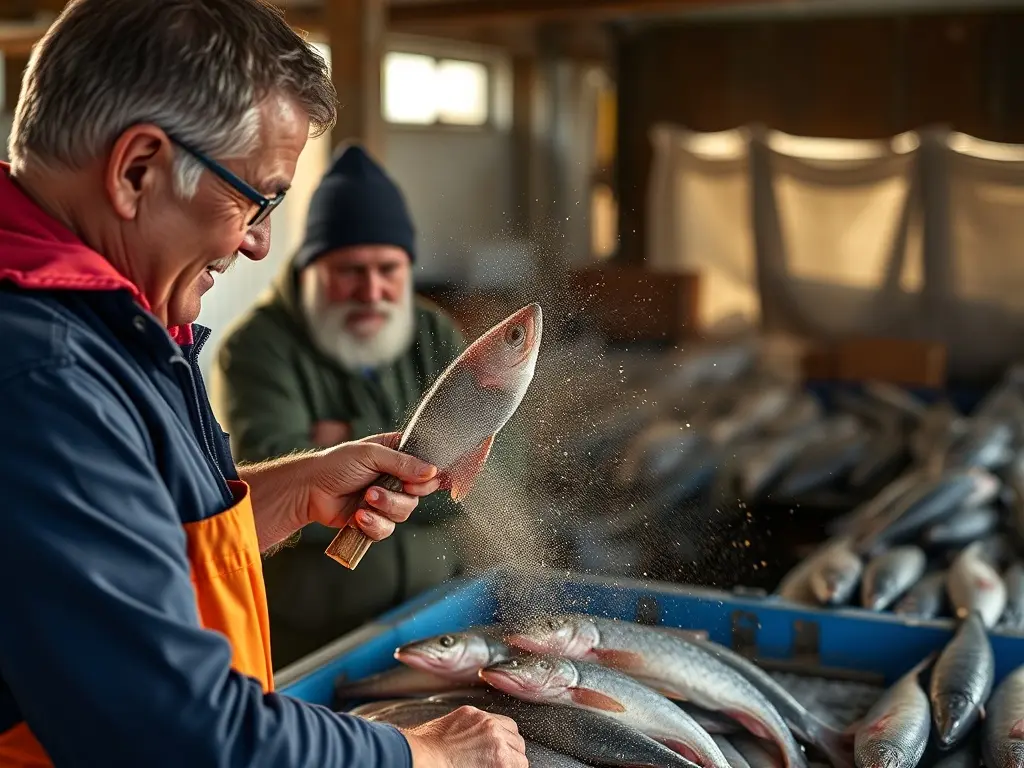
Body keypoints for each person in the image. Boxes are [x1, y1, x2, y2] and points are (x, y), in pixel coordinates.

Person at [0, 1, 527, 766]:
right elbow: (174, 733)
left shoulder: (111, 326)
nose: (257, 243)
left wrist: (291, 492)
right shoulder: (44, 375)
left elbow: (119, 560)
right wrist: (422, 757)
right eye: (257, 198)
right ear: (138, 169)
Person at [212, 143, 468, 668]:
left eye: (388, 269)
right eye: (350, 270)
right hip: (310, 640)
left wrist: (338, 440)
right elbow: (274, 483)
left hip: (436, 617)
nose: (372, 290)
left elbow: (497, 468)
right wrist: (431, 464)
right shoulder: (256, 347)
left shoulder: (433, 332)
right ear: (311, 268)